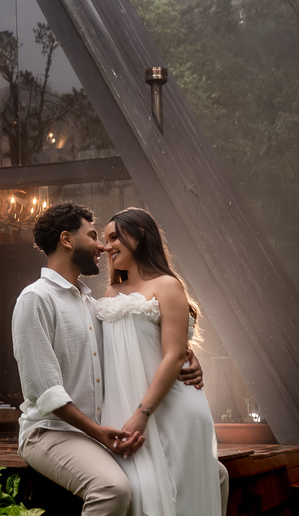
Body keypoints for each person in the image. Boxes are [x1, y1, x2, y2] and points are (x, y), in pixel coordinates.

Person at [11, 202, 227, 516]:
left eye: (111, 237)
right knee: (113, 489)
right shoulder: (36, 298)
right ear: (67, 240)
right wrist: (100, 432)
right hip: (52, 430)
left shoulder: (92, 302)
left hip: (99, 429)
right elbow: (43, 391)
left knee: (215, 474)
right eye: (95, 235)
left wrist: (186, 356)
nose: (102, 245)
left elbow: (136, 339)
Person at [96, 207, 225, 516]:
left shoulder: (167, 285)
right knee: (142, 496)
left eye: (114, 237)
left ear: (139, 236)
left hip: (170, 411)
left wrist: (142, 413)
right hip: (123, 409)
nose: (107, 246)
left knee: (183, 500)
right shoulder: (111, 291)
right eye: (104, 240)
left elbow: (174, 354)